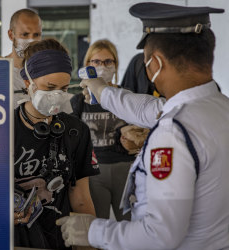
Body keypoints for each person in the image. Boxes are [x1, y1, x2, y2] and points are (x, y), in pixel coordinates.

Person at [57, 2, 229, 249]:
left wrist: (93, 231)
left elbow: (160, 235)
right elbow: (148, 109)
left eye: (146, 61)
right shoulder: (219, 107)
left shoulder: (173, 132)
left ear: (156, 64)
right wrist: (103, 91)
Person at [14, 38, 99, 249]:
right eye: (50, 87)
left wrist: (88, 243)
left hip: (58, 239)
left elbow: (80, 197)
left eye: (63, 88)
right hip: (12, 240)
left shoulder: (76, 131)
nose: (57, 96)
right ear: (28, 83)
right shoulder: (1, 128)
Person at [70, 39, 148, 221]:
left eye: (107, 62)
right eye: (96, 62)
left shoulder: (125, 97)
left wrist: (137, 136)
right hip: (93, 173)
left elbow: (143, 130)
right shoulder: (79, 102)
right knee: (97, 225)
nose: (102, 66)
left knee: (130, 225)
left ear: (115, 65)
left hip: (125, 169)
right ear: (87, 65)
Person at [5, 8, 42, 108]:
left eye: (36, 35)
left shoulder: (45, 72)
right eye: (25, 34)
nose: (31, 40)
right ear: (11, 35)